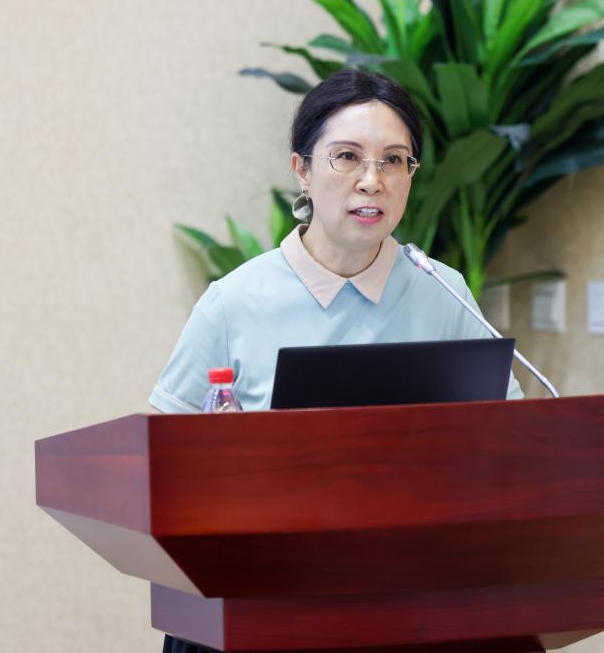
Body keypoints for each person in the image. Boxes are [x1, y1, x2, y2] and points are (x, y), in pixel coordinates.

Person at [150, 68, 524, 653]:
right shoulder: (234, 301)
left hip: (413, 596)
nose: (371, 181)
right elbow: (163, 461)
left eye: (394, 161)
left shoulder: (442, 290)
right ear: (302, 169)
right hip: (270, 598)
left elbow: (512, 436)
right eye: (347, 157)